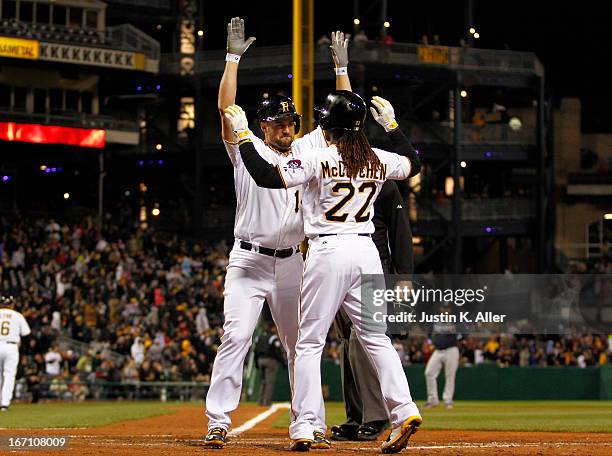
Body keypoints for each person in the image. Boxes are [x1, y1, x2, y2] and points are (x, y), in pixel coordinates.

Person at [224, 90, 422, 453]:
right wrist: (392, 127)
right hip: (366, 252)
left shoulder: (319, 158)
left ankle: (303, 426)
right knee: (377, 339)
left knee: (309, 343)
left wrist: (243, 137)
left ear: (328, 127)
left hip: (328, 251)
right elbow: (413, 162)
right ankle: (405, 408)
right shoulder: (377, 159)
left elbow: (267, 176)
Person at [204, 19, 349, 450]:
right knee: (236, 336)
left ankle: (309, 423)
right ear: (264, 125)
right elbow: (226, 109)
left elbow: (342, 113)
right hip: (247, 260)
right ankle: (217, 421)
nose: (287, 128)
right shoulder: (248, 147)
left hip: (293, 262)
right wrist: (232, 60)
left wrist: (341, 72)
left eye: (291, 122)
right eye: (279, 123)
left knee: (302, 345)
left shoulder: (306, 150)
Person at [330, 179, 414, 442]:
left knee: (361, 337)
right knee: (346, 341)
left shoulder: (382, 179)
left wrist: (404, 276)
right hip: (336, 265)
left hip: (375, 267)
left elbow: (400, 229)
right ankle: (356, 417)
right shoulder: (330, 172)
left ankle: (376, 416)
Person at [424, 304, 461, 409]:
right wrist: (431, 342)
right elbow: (429, 333)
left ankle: (448, 400)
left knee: (450, 375)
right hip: (438, 350)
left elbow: (464, 332)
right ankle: (432, 400)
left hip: (451, 349)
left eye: (447, 308)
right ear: (440, 309)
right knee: (429, 373)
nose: (445, 310)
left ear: (450, 309)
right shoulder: (435, 320)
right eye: (443, 307)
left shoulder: (456, 319)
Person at [0, 295, 31, 411]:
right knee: (9, 375)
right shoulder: (17, 316)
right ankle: (4, 403)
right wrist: (25, 352)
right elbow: (27, 335)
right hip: (11, 347)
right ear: (12, 304)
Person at [254, 323, 285, 406]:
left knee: (263, 381)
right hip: (270, 360)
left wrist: (256, 362)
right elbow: (277, 351)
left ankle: (260, 401)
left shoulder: (259, 337)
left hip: (260, 360)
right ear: (272, 328)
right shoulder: (273, 337)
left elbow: (255, 350)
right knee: (269, 382)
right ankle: (266, 402)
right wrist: (282, 362)